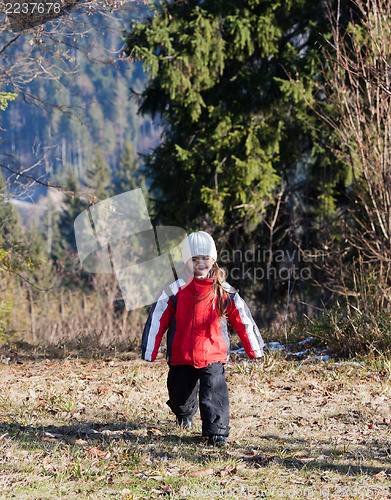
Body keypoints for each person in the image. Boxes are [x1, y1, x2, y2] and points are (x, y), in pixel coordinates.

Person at [141, 231, 264, 446]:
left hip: (213, 352)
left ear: (213, 260)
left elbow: (242, 318)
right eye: (194, 259)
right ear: (186, 262)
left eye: (205, 258)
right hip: (181, 353)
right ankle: (184, 413)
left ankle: (217, 433)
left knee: (214, 392)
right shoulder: (175, 290)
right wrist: (150, 349)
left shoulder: (224, 291)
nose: (200, 263)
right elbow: (158, 317)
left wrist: (253, 348)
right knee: (180, 393)